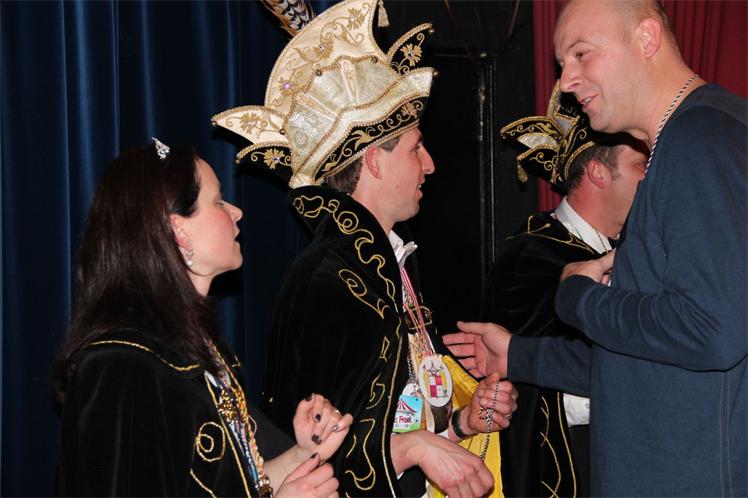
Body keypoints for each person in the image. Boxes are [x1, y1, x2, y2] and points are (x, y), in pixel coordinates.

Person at [212, 0, 517, 496]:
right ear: (375, 161)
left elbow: (401, 419)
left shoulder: (387, 267)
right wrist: (415, 447)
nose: (430, 165)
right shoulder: (327, 281)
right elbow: (312, 453)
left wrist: (462, 423)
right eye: (416, 148)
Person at [445, 0, 747, 496]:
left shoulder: (698, 143)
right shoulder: (698, 138)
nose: (567, 81)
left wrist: (578, 297)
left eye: (582, 54)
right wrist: (521, 356)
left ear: (646, 39)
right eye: (562, 63)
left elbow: (711, 332)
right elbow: (653, 359)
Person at [52, 139, 353, 497]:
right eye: (218, 200)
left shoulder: (194, 347)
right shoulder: (121, 365)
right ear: (179, 232)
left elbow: (234, 487)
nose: (236, 212)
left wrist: (302, 454)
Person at [486, 82, 647, 498]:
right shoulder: (530, 260)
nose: (651, 179)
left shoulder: (642, 251)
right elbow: (532, 391)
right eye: (640, 166)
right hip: (574, 468)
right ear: (597, 173)